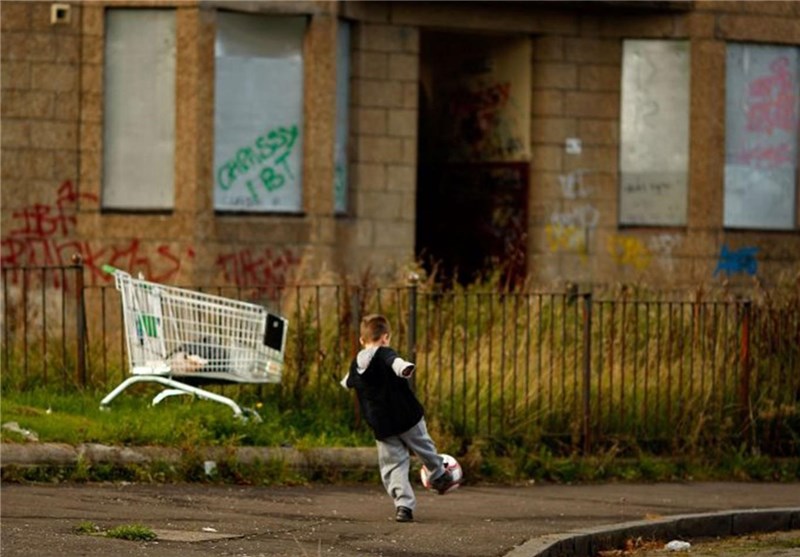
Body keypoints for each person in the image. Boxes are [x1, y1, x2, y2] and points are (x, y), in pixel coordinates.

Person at [340, 313, 457, 522]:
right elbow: (396, 362)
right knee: (424, 447)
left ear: (361, 340)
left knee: (394, 465)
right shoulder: (386, 353)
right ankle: (439, 474)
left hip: (382, 425)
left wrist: (347, 382)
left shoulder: (355, 363)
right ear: (385, 337)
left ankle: (403, 507)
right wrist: (405, 368)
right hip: (407, 416)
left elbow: (349, 380)